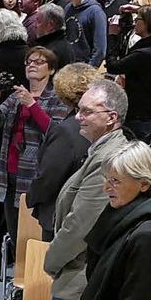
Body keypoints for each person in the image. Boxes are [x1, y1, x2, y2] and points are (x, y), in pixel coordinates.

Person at [0, 47, 68, 261]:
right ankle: (17, 280)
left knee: (33, 237)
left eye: (39, 62)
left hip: (36, 177)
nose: (32, 65)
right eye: (29, 62)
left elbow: (54, 132)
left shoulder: (57, 98)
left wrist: (32, 104)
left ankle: (31, 283)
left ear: (52, 70)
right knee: (16, 233)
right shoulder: (17, 96)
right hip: (10, 174)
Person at [44, 79, 129, 300]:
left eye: (87, 112)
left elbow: (81, 223)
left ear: (111, 118)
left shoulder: (108, 159)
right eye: (78, 110)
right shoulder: (101, 150)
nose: (78, 117)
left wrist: (51, 261)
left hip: (82, 280)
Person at [73, 141, 151, 300]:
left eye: (115, 181)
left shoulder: (147, 237)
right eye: (106, 179)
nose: (106, 187)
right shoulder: (118, 215)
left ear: (143, 184)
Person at [28, 63, 99, 240]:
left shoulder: (66, 131)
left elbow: (49, 176)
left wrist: (32, 198)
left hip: (61, 215)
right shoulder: (99, 123)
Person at [106, 4, 151, 139]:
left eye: (137, 19)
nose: (134, 22)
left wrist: (112, 35)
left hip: (138, 114)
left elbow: (113, 66)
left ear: (147, 24)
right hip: (147, 109)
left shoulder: (145, 53)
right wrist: (138, 10)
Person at [62, 0, 108, 67]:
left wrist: (88, 71)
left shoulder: (95, 12)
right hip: (68, 67)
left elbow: (100, 50)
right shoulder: (68, 8)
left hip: (85, 68)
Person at [34, 3, 75, 69]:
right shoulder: (64, 43)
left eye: (38, 21)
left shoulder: (51, 52)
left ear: (51, 25)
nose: (35, 25)